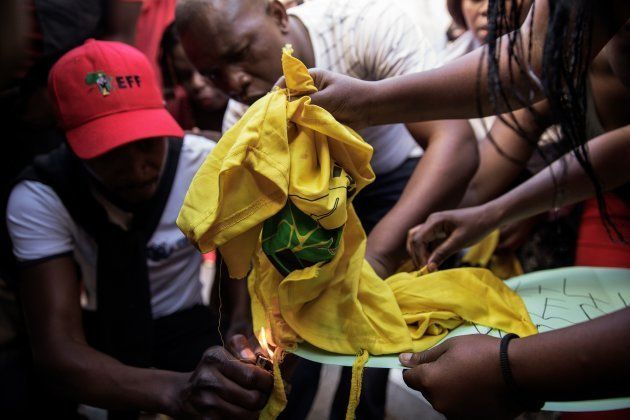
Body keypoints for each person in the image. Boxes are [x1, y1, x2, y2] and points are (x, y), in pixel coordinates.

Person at [175, 0, 478, 417]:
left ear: (278, 15)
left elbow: (455, 146)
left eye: (239, 53)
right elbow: (247, 232)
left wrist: (376, 255)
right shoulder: (244, 121)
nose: (235, 81)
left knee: (375, 334)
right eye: (212, 73)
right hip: (314, 206)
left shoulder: (366, 26)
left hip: (393, 181)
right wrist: (241, 317)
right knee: (293, 328)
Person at [6, 39, 272, 419]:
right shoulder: (40, 197)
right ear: (68, 137)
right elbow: (56, 350)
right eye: (109, 149)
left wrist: (237, 326)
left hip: (187, 327)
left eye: (146, 142)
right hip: (102, 339)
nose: (136, 167)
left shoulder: (204, 167)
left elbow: (237, 265)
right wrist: (177, 392)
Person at [160, 23, 228, 134]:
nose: (197, 83)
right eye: (185, 75)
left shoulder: (258, 107)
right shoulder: (174, 116)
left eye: (205, 70)